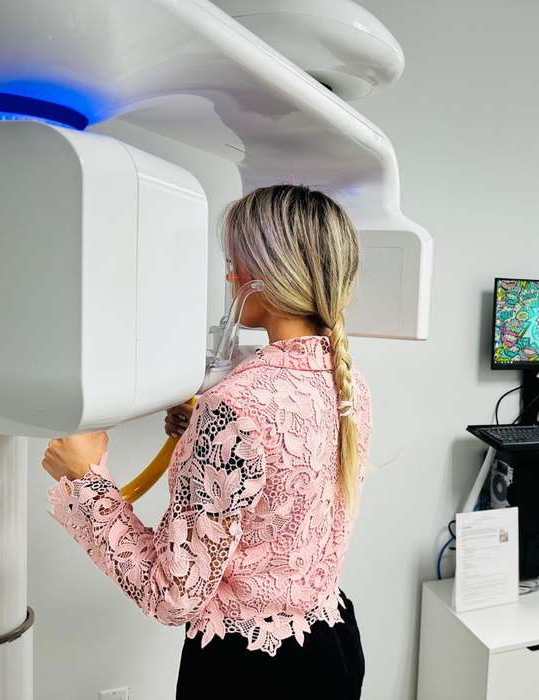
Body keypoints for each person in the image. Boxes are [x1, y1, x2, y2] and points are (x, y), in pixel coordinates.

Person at [42, 184, 371, 699]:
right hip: (333, 646)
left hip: (250, 675)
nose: (228, 275)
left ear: (264, 276)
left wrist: (85, 481)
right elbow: (277, 482)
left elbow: (172, 595)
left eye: (234, 261)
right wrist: (204, 432)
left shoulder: (236, 407)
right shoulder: (348, 382)